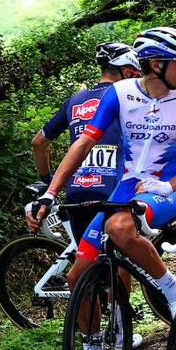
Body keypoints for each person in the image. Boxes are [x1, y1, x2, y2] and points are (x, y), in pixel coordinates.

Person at [28, 27, 176, 350]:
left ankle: (175, 295)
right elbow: (84, 143)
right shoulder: (120, 94)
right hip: (125, 188)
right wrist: (51, 192)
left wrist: (171, 183)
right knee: (77, 276)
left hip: (165, 187)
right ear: (156, 64)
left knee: (119, 228)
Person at [32, 42, 141, 242]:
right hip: (115, 191)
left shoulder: (75, 100)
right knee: (121, 264)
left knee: (90, 264)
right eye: (135, 74)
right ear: (126, 72)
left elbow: (39, 142)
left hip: (77, 192)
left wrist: (49, 178)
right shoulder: (129, 98)